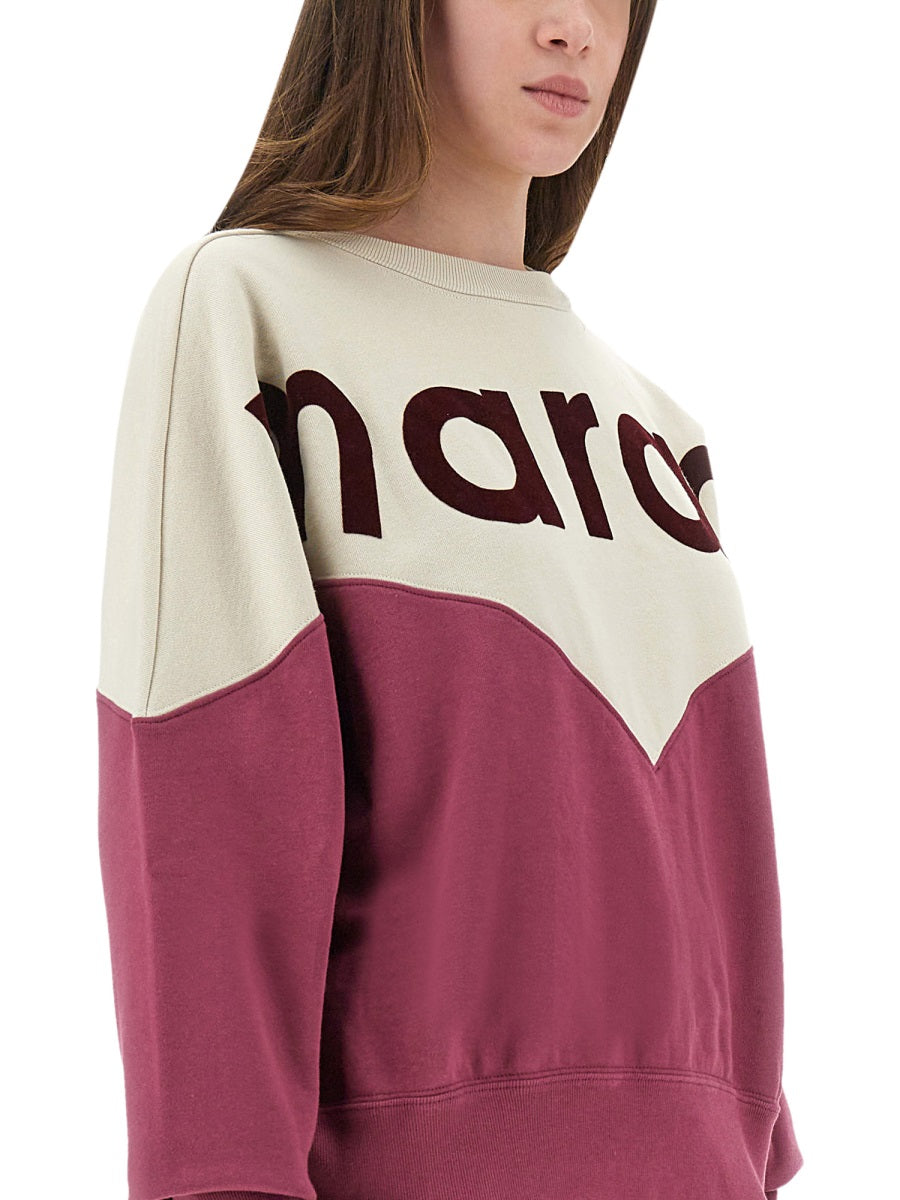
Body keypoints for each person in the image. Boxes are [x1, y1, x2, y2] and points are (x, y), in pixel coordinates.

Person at [95, 1, 805, 1198]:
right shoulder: (248, 308)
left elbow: (722, 846)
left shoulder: (654, 427)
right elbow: (211, 807)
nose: (575, 27)